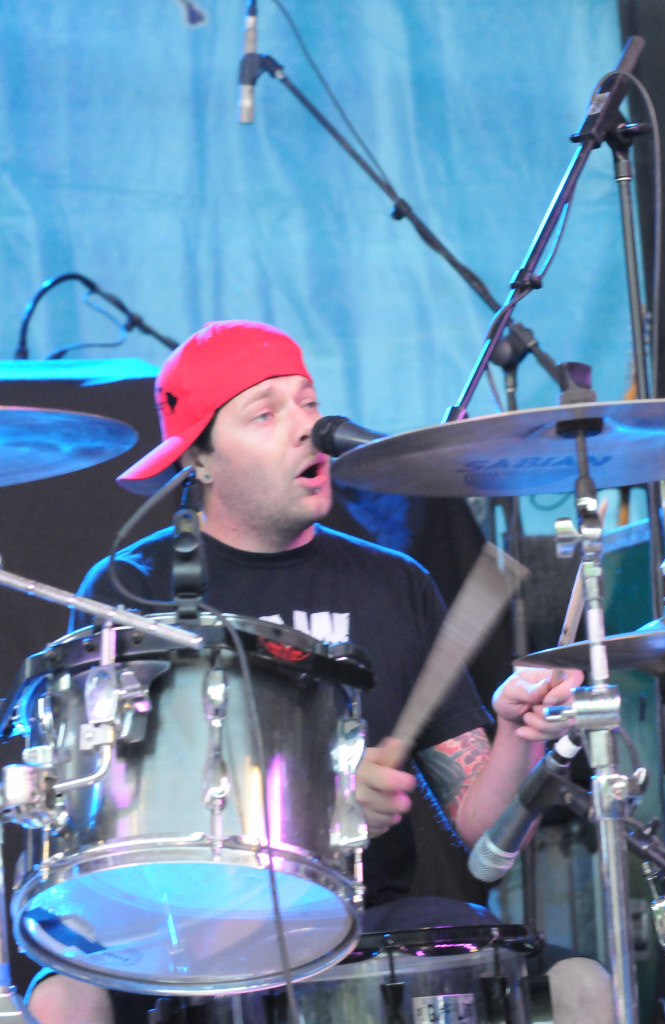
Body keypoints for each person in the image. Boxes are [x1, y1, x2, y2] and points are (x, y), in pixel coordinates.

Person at [26, 320, 614, 1024]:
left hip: (366, 923)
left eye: (308, 402)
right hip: (187, 923)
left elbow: (482, 827)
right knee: (62, 998)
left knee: (582, 984)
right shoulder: (130, 585)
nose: (307, 426)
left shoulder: (392, 583)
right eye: (265, 413)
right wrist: (325, 803)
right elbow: (111, 816)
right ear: (200, 458)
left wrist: (518, 732)